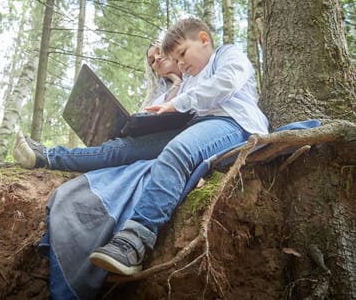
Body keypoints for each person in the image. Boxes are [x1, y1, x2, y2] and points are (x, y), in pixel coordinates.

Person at [87, 16, 269, 276]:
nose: (182, 64)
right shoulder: (189, 79)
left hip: (234, 124)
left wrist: (178, 103)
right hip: (197, 128)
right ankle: (49, 157)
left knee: (178, 151)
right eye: (177, 60)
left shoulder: (228, 54)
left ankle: (134, 241)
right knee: (125, 147)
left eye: (183, 54)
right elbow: (182, 108)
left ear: (204, 39)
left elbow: (225, 84)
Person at [13, 40, 185, 173]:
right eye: (152, 61)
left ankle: (46, 156)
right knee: (114, 146)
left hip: (176, 138)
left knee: (117, 150)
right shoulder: (155, 94)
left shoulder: (192, 77)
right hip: (149, 139)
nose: (156, 58)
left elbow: (175, 113)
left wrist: (177, 82)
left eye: (159, 52)